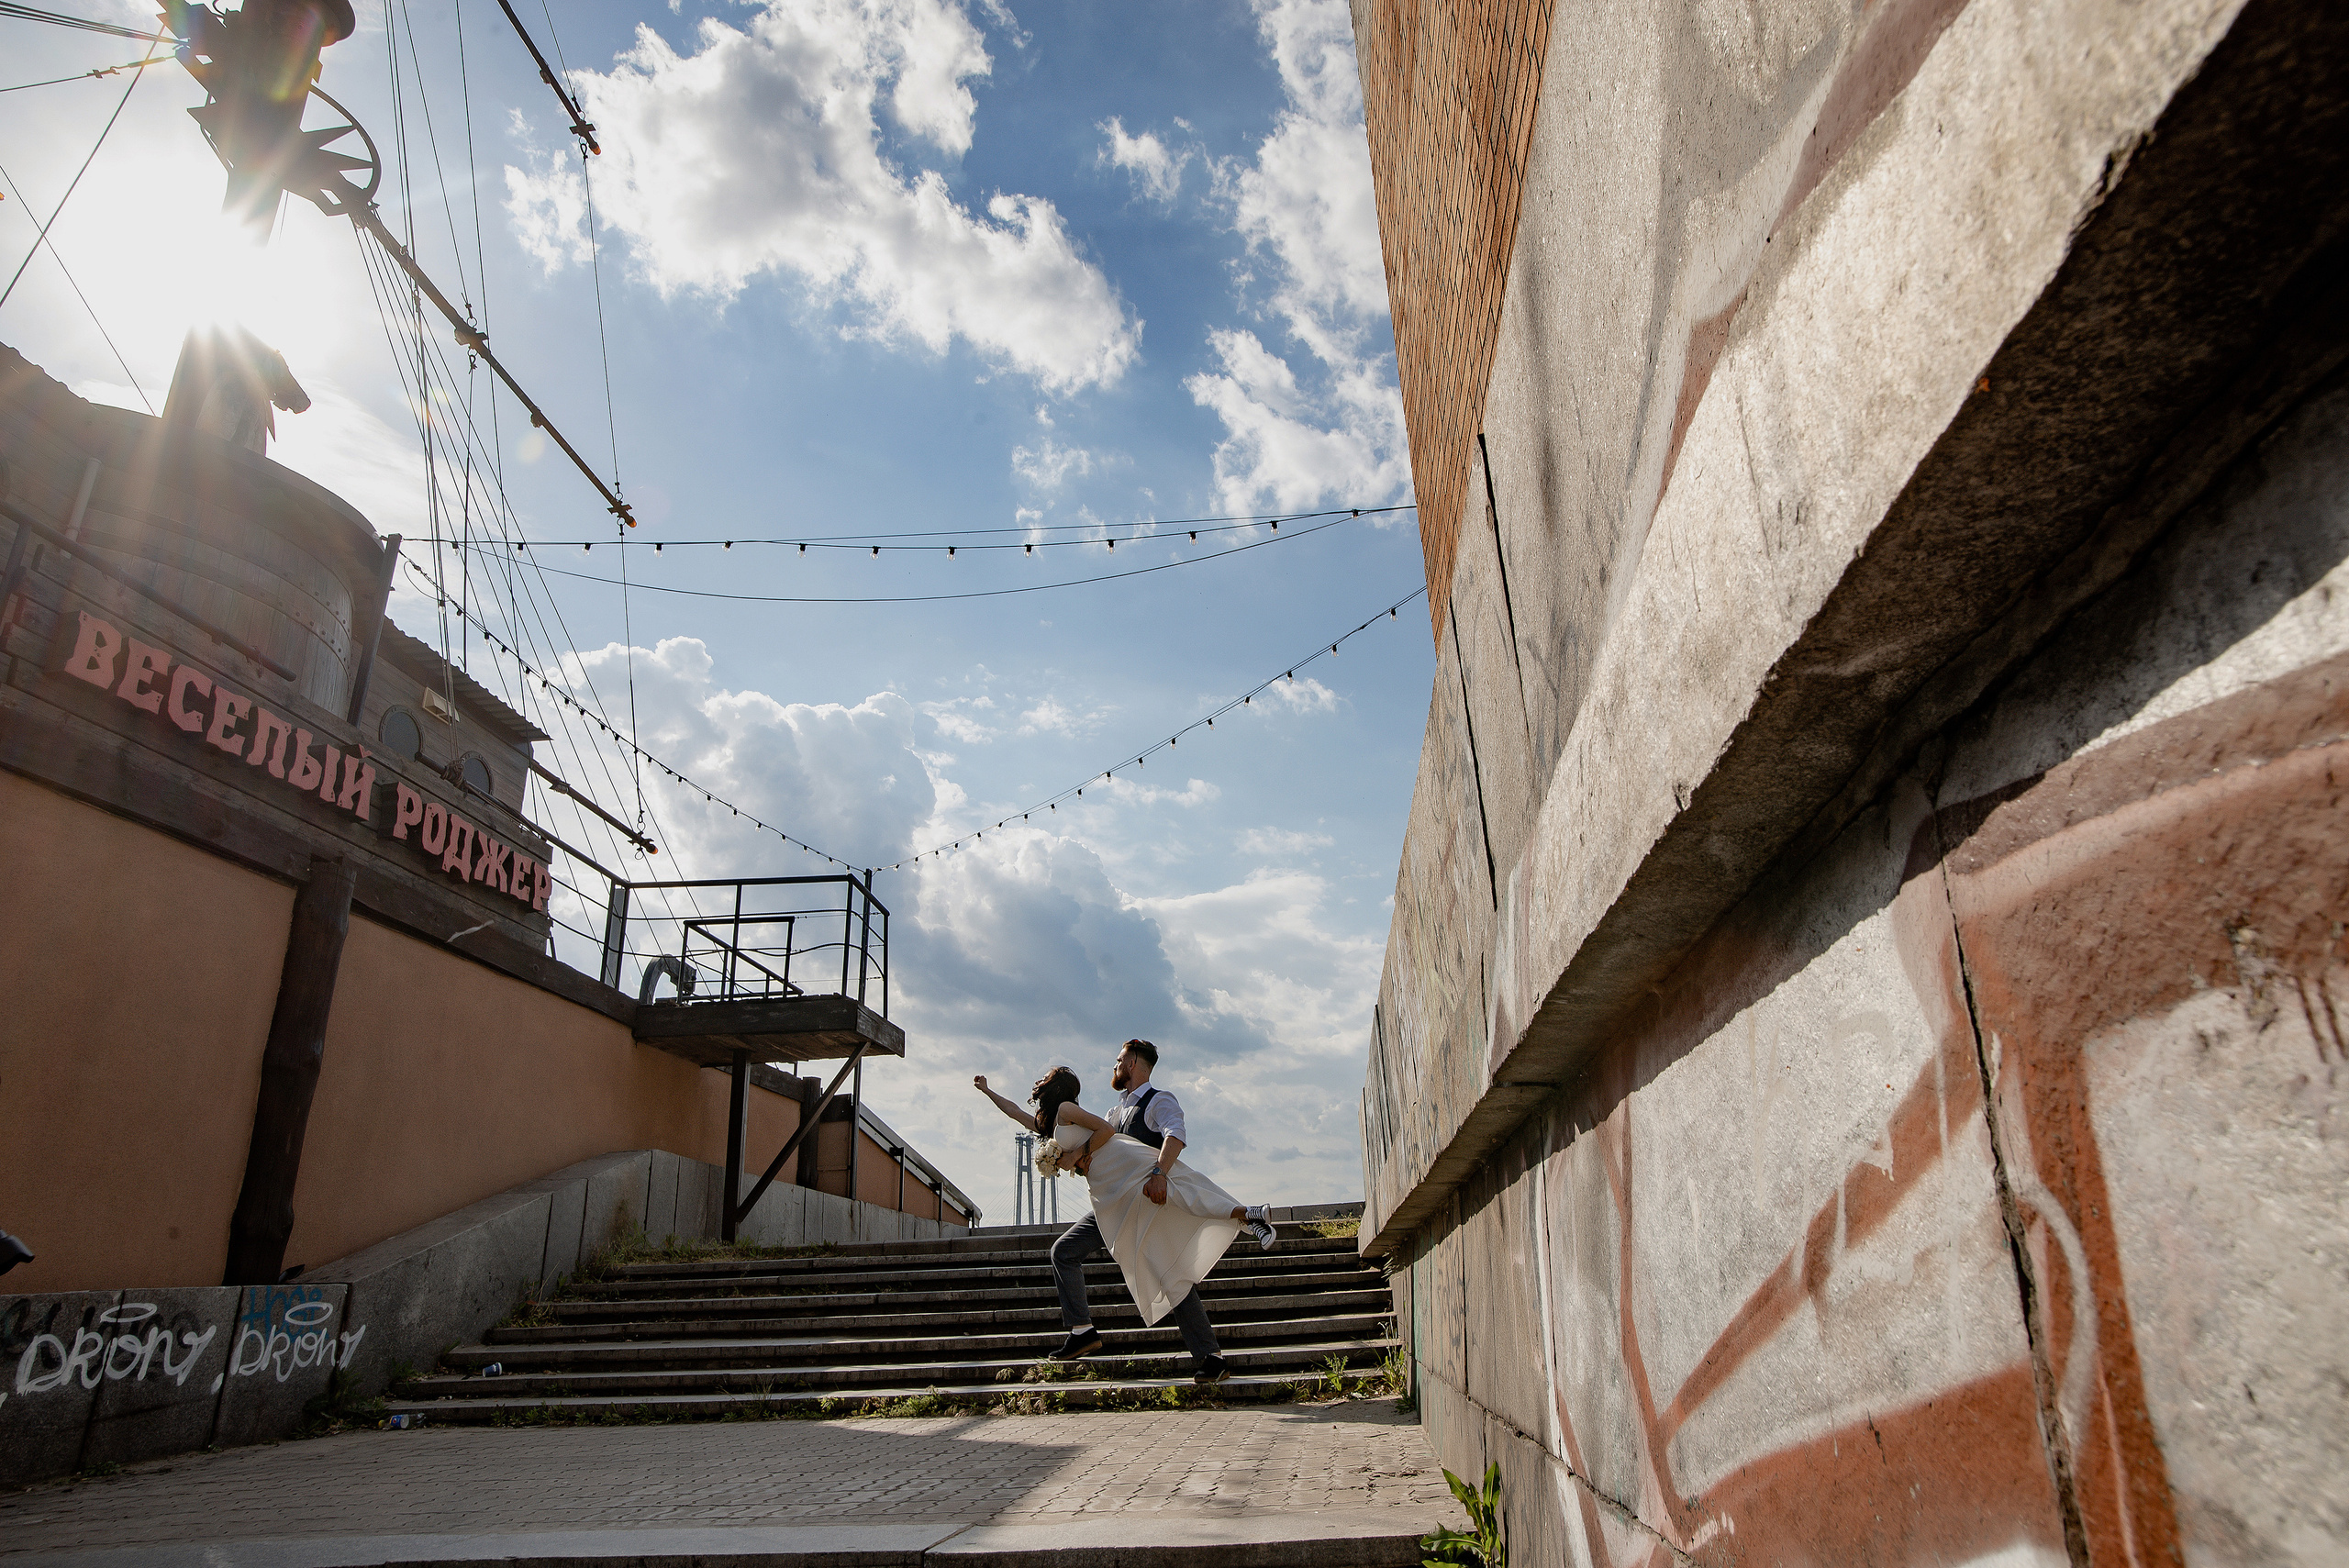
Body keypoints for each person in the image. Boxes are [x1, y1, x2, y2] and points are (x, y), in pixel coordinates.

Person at [974, 1039, 1277, 1385]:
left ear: (1132, 1063)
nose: (1113, 1066)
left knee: (1177, 1249)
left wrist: (1159, 1173)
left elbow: (1174, 1135)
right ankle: (1083, 1331)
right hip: (1112, 1202)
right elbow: (1070, 1129)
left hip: (1146, 1192)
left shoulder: (1158, 1100)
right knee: (1065, 1251)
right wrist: (989, 1093)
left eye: (1118, 1060)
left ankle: (1211, 1352)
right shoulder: (1112, 1113)